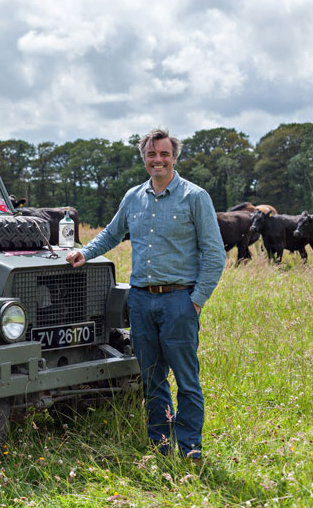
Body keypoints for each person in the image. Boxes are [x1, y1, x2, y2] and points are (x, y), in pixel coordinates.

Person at [66, 128, 225, 460]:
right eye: (152, 155)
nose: (158, 160)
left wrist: (196, 301)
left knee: (186, 379)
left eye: (164, 154)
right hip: (140, 300)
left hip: (179, 300)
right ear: (144, 158)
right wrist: (87, 253)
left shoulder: (195, 197)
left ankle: (191, 451)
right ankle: (160, 446)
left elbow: (214, 254)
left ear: (174, 157)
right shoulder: (133, 197)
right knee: (151, 378)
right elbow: (112, 233)